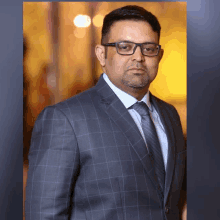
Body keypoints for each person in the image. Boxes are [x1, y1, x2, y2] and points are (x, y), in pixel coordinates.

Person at [25, 5, 186, 220]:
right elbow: (44, 215)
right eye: (125, 47)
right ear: (102, 54)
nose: (138, 57)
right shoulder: (64, 120)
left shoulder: (169, 115)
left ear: (159, 55)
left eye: (148, 48)